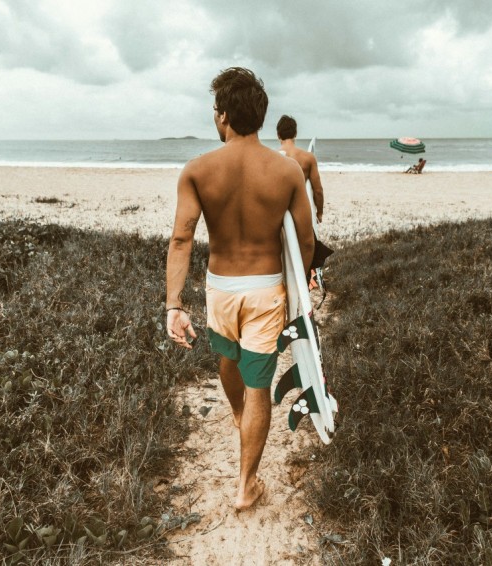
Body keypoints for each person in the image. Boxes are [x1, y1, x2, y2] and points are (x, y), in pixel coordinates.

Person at [166, 68, 314, 511]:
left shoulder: (197, 170)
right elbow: (305, 240)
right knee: (258, 385)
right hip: (266, 289)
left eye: (216, 110)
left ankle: (239, 420)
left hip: (221, 289)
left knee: (226, 358)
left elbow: (181, 237)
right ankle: (246, 484)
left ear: (224, 116)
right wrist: (299, 285)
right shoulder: (287, 172)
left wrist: (174, 304)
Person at [276, 115, 324, 223]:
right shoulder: (308, 158)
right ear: (295, 134)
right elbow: (318, 191)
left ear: (278, 135)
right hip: (301, 213)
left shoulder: (272, 158)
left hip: (278, 215)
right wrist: (319, 213)